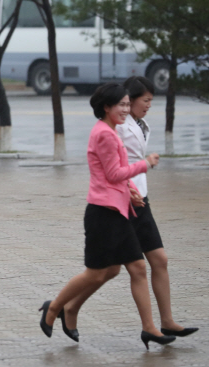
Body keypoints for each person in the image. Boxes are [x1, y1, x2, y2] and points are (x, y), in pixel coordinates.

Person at [38, 83, 174, 350]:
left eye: (127, 104)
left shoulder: (109, 131)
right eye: (121, 105)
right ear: (106, 108)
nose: (126, 109)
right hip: (103, 214)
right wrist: (145, 164)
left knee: (133, 268)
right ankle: (54, 308)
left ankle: (149, 329)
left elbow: (114, 172)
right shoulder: (105, 134)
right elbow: (114, 174)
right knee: (97, 273)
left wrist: (132, 191)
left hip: (115, 210)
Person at [114, 76, 197, 337]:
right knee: (104, 272)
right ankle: (62, 307)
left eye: (152, 100)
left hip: (141, 199)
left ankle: (167, 321)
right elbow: (112, 167)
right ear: (130, 100)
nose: (149, 105)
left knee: (159, 260)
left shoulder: (139, 123)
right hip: (122, 202)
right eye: (146, 100)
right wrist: (128, 189)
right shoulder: (116, 126)